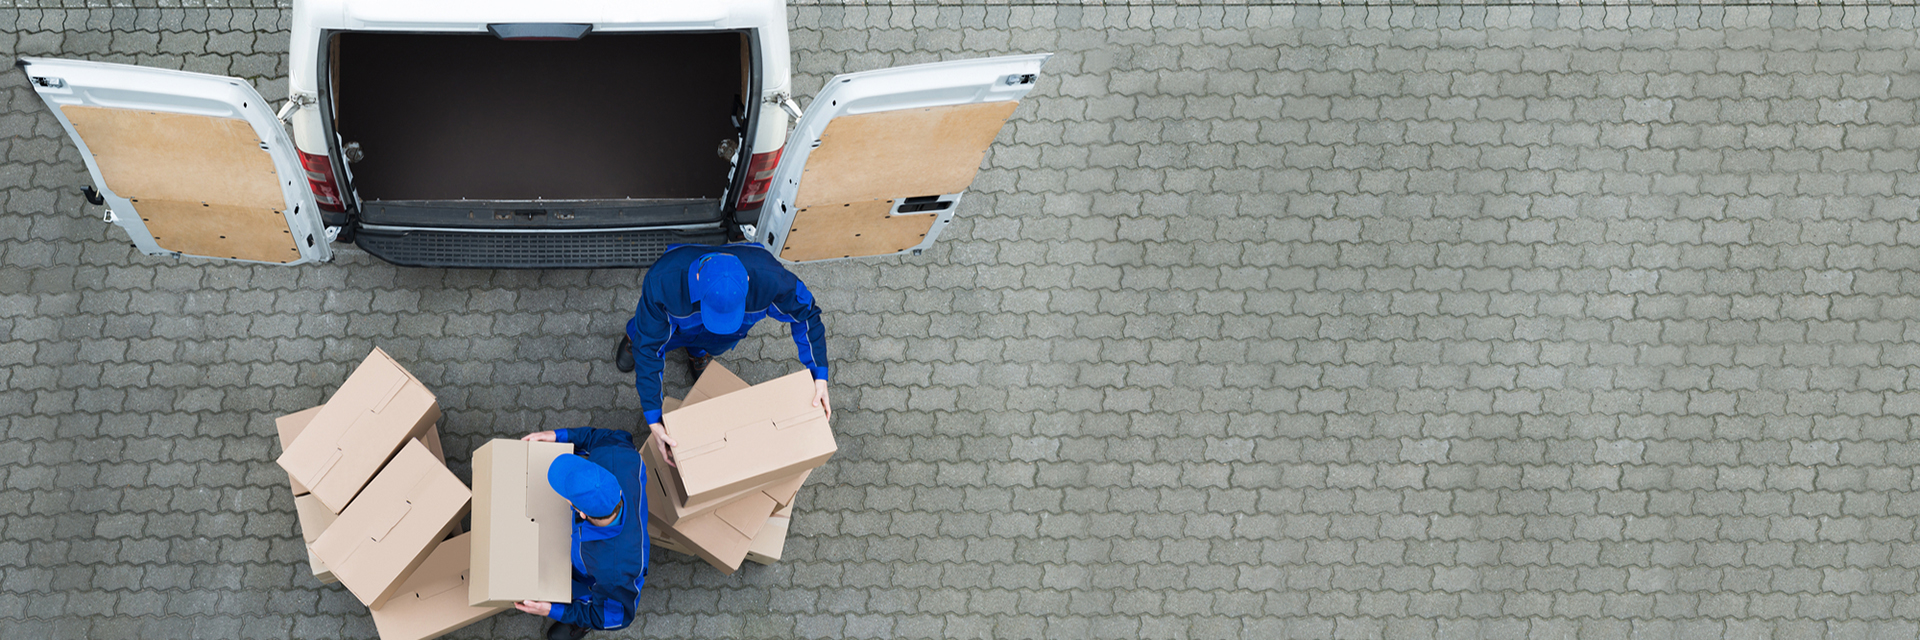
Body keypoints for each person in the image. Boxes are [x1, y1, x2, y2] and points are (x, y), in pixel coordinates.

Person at [615, 243, 832, 465]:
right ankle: (633, 339)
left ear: (747, 280)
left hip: (725, 336)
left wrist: (819, 374)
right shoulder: (663, 281)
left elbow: (806, 315)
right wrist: (653, 415)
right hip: (675, 325)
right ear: (697, 278)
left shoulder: (771, 278)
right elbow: (650, 347)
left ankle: (698, 352)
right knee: (645, 335)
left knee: (714, 343)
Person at [513, 428, 649, 640]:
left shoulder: (614, 573)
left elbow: (616, 617)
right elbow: (600, 437)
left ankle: (579, 620)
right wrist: (558, 436)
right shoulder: (617, 454)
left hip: (598, 576)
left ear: (580, 513)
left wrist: (552, 610)